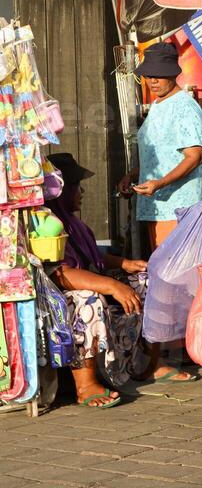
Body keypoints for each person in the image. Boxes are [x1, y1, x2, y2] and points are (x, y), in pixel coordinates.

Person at [118, 41, 202, 382]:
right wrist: (135, 176)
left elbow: (193, 155)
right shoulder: (157, 105)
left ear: (173, 74)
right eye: (148, 75)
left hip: (176, 205)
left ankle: (164, 358)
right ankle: (163, 355)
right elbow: (157, 154)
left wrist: (160, 184)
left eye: (159, 75)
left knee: (169, 283)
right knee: (161, 280)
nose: (153, 80)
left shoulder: (184, 106)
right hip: (154, 204)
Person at [47, 153, 146, 409]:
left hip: (90, 282)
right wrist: (113, 285)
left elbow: (90, 255)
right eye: (76, 186)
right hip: (56, 304)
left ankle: (138, 365)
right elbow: (62, 273)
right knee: (87, 298)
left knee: (143, 281)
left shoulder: (77, 225)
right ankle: (85, 383)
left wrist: (123, 265)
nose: (81, 192)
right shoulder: (47, 225)